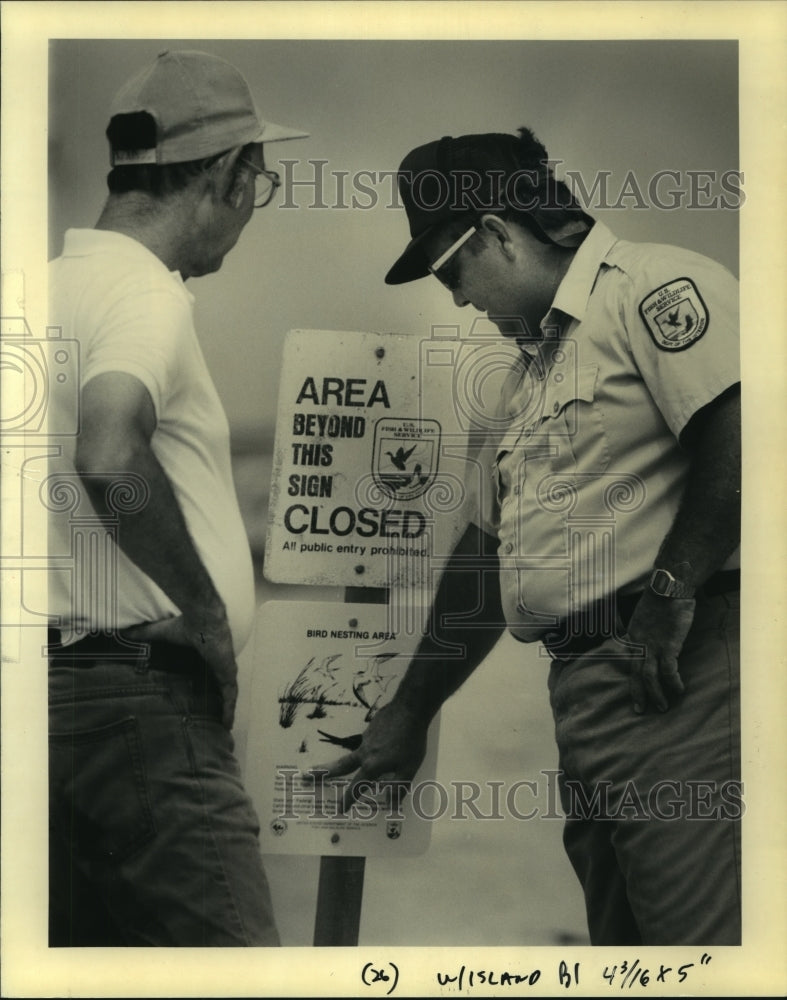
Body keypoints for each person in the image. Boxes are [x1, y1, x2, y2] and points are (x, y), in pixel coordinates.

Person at [318, 128, 741, 945]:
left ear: (497, 231)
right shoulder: (526, 373)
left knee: (699, 953)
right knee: (627, 951)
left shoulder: (653, 287)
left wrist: (670, 588)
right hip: (586, 691)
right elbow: (486, 554)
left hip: (676, 675)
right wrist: (409, 711)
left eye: (450, 269)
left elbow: (745, 429)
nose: (451, 296)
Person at [47, 49, 308, 946]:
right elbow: (110, 455)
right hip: (138, 716)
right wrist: (203, 614)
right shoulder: (145, 293)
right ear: (231, 175)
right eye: (258, 185)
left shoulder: (30, 292)